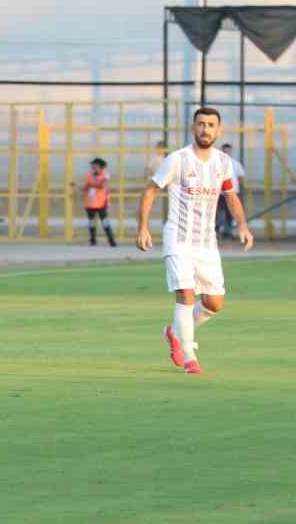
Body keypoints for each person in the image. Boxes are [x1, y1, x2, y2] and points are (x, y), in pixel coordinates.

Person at [137, 106, 253, 377]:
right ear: (193, 127)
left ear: (218, 130)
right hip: (178, 238)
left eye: (211, 125)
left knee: (215, 303)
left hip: (206, 242)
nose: (205, 129)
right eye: (201, 124)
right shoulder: (178, 160)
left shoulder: (223, 163)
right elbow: (151, 190)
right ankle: (189, 356)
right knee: (186, 294)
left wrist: (243, 225)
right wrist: (143, 228)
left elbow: (230, 195)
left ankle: (174, 332)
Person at [80, 157, 116, 247]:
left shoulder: (105, 174)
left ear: (99, 166)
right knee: (91, 222)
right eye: (92, 165)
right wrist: (84, 187)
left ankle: (111, 241)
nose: (92, 166)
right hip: (90, 203)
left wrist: (90, 185)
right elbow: (86, 187)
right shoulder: (89, 175)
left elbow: (102, 185)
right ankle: (93, 240)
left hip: (101, 203)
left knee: (105, 222)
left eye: (94, 165)